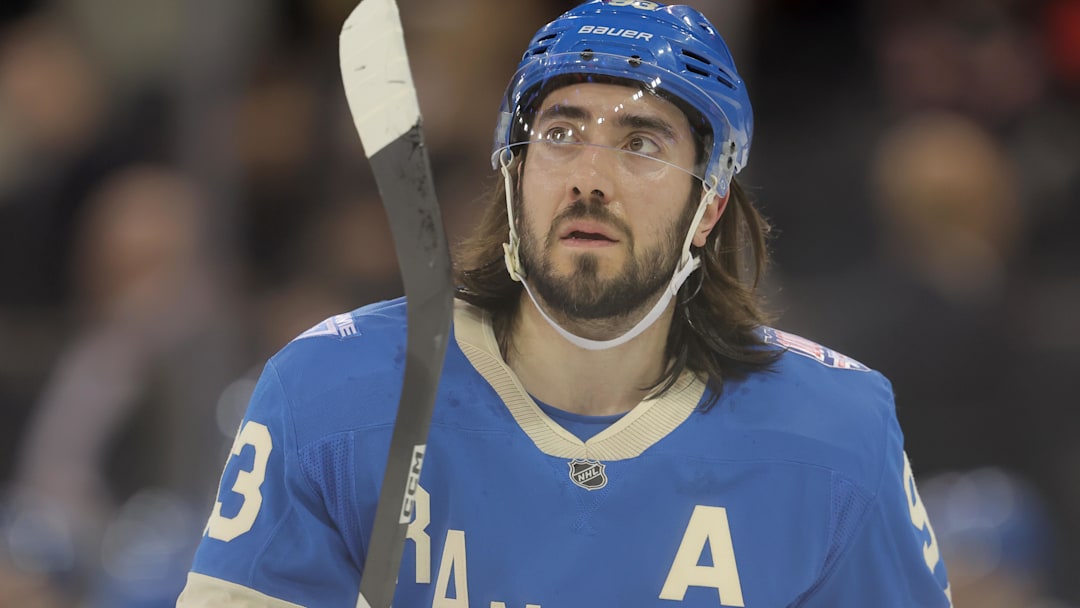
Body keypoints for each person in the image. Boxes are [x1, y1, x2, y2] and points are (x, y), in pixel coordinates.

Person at [177, 1, 952, 606]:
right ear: (513, 178)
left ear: (710, 207)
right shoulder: (328, 395)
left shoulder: (834, 435)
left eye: (641, 143)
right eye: (558, 134)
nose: (589, 175)